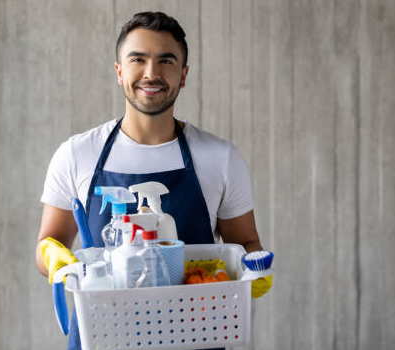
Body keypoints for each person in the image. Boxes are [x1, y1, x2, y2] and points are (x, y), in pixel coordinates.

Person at [35, 11, 272, 350]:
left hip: (196, 340)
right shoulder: (77, 155)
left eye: (166, 61)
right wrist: (55, 258)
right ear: (119, 72)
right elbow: (48, 245)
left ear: (184, 75)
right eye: (138, 60)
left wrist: (252, 272)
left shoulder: (220, 158)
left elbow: (247, 243)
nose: (151, 73)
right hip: (103, 338)